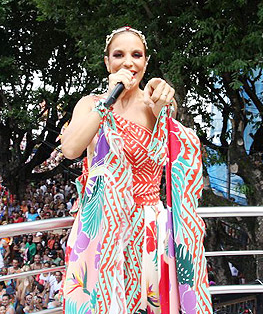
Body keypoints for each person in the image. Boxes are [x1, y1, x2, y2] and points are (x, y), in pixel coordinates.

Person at [61, 26, 211, 313]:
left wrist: (163, 104)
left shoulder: (157, 104)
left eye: (136, 55)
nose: (128, 62)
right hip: (100, 226)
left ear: (146, 61)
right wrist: (109, 100)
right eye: (119, 55)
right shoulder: (91, 105)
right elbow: (70, 149)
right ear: (107, 62)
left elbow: (175, 146)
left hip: (148, 228)